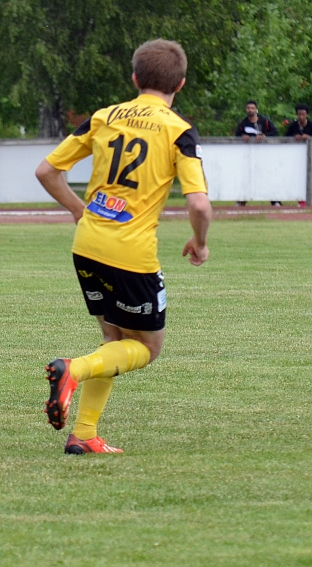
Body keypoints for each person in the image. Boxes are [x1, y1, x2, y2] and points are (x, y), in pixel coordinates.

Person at [35, 39, 212, 455]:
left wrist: (81, 210)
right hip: (131, 253)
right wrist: (199, 242)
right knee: (146, 349)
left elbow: (47, 171)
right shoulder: (179, 130)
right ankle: (72, 371)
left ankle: (84, 435)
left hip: (87, 244)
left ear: (134, 78)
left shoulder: (104, 117)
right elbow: (199, 204)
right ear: (181, 84)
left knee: (113, 339)